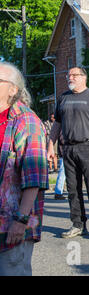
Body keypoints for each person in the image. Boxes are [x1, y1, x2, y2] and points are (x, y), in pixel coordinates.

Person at [47, 66, 89, 240]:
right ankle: (77, 224)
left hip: (88, 147)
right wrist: (50, 145)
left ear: (83, 77)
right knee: (73, 190)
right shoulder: (63, 98)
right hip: (68, 148)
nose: (70, 78)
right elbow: (57, 125)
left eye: (74, 75)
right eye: (68, 75)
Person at [0, 62, 48, 276]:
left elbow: (35, 176)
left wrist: (21, 221)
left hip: (12, 224)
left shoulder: (26, 121)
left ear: (13, 90)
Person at [54, 132, 67, 200]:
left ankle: (59, 191)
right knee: (62, 173)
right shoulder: (63, 128)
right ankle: (58, 192)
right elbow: (62, 139)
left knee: (63, 173)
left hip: (64, 151)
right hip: (64, 152)